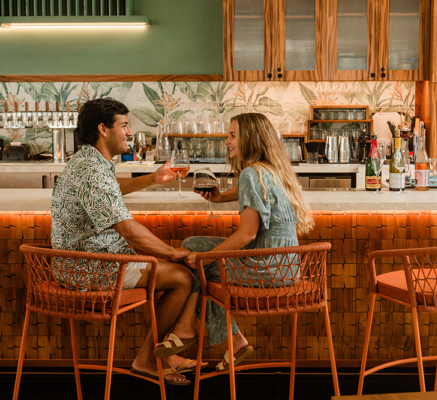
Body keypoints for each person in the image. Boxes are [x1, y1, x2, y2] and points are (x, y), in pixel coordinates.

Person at [50, 99, 198, 385]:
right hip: (90, 267)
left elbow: (113, 190)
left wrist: (153, 177)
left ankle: (163, 354)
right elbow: (129, 231)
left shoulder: (88, 160)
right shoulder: (92, 170)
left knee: (162, 271)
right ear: (103, 129)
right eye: (125, 125)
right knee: (181, 277)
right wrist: (173, 252)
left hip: (79, 260)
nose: (130, 132)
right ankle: (146, 359)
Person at [153, 113, 314, 371]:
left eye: (232, 135)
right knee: (192, 243)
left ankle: (191, 330)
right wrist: (218, 198)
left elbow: (247, 234)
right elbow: (252, 195)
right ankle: (230, 340)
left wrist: (205, 258)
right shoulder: (272, 170)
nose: (226, 141)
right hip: (285, 266)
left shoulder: (252, 173)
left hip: (265, 269)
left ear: (249, 138)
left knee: (196, 265)